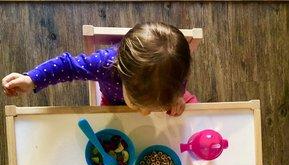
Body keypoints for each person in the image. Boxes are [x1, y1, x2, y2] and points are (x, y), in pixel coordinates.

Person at [2, 22, 198, 116]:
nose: (145, 114)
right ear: (122, 72)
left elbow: (178, 88)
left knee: (194, 114)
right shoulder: (104, 65)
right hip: (113, 102)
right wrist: (32, 79)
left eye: (154, 109)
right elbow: (67, 66)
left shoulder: (174, 70)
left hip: (165, 94)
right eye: (138, 105)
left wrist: (177, 98)